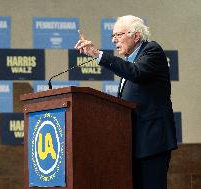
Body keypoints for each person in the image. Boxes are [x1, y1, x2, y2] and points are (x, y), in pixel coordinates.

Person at [75, 15, 177, 189]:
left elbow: (136, 73)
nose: (114, 40)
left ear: (136, 36)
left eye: (118, 35)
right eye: (113, 36)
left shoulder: (152, 50)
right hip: (131, 144)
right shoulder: (130, 62)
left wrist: (97, 54)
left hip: (152, 143)